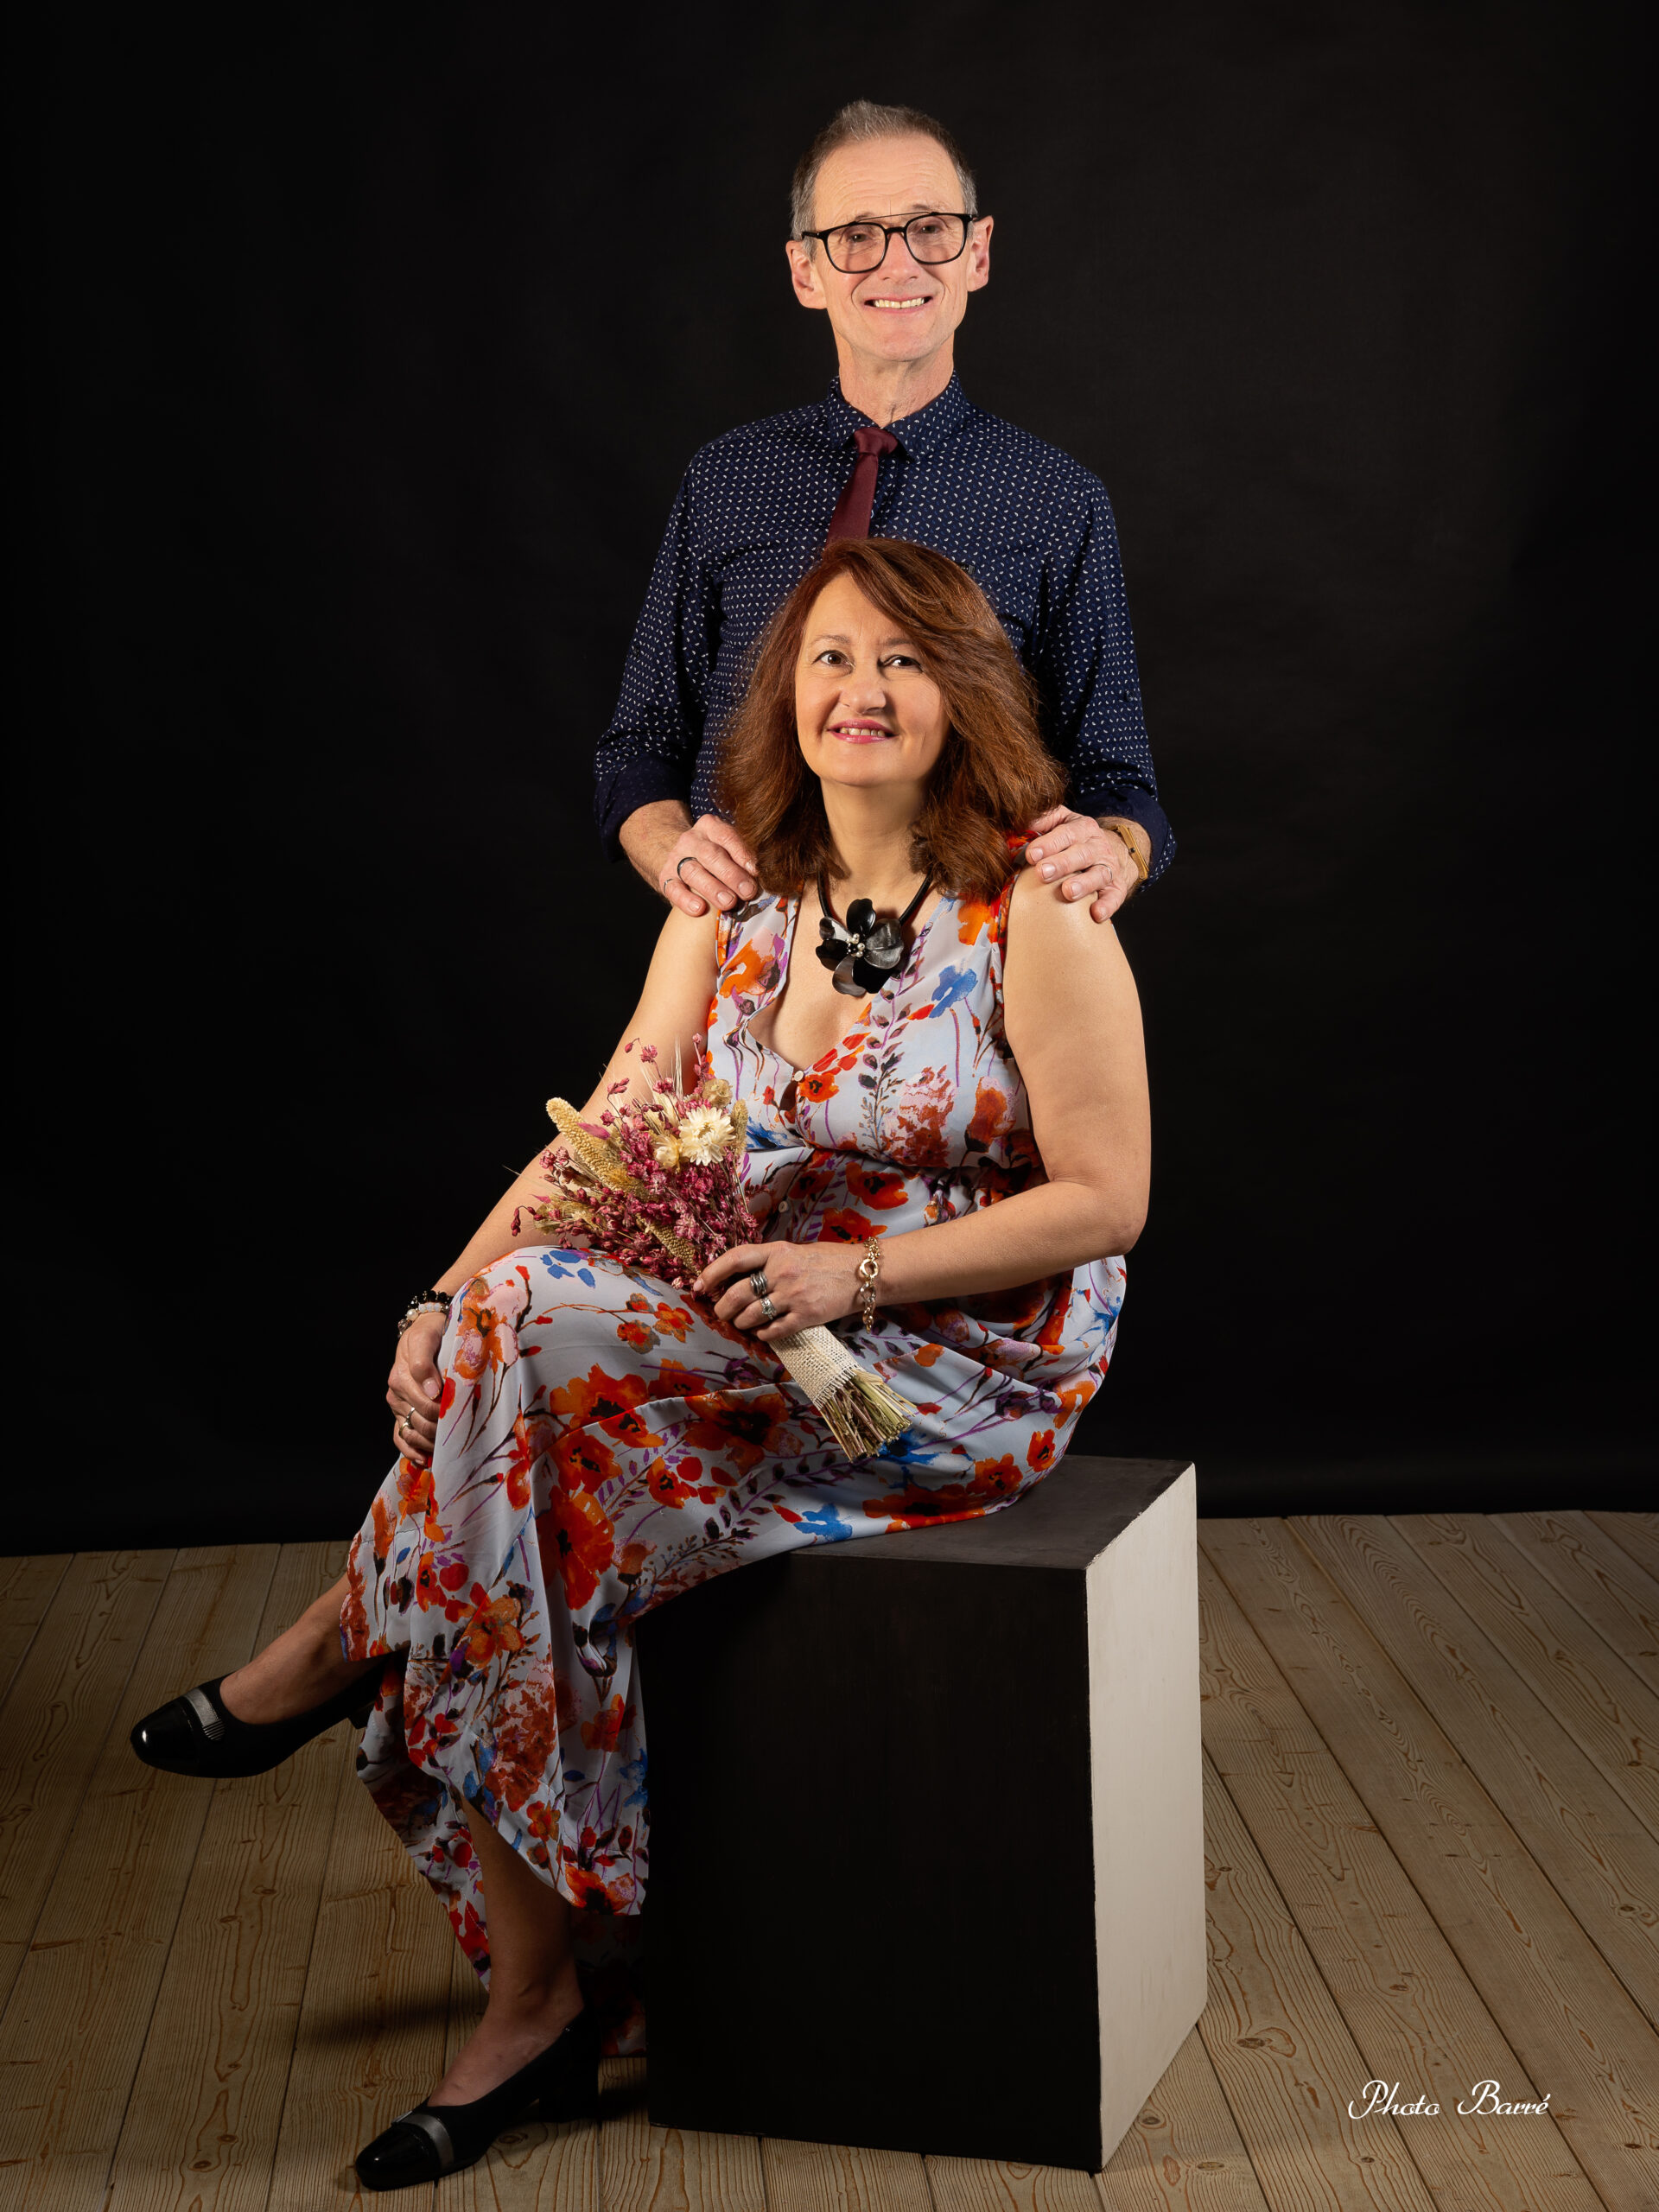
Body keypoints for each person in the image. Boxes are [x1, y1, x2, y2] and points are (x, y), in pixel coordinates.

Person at [131, 538, 1151, 2190]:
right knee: (515, 1421)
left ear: (965, 694)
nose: (862, 690)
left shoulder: (1039, 907)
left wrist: (853, 1269)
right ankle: (538, 1998)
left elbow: (1108, 1200)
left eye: (902, 660)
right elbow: (606, 1137)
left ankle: (348, 1642)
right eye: (830, 659)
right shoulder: (736, 901)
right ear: (785, 695)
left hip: (950, 1364)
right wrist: (435, 1298)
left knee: (520, 1375)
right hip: (749, 1327)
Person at [600, 99, 1173, 931]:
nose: (898, 264)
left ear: (977, 253)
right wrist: (669, 851)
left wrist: (1117, 848)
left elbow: (1121, 783)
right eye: (858, 236)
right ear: (806, 271)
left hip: (969, 956)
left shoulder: (1057, 498)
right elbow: (638, 750)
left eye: (930, 228)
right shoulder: (725, 479)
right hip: (740, 945)